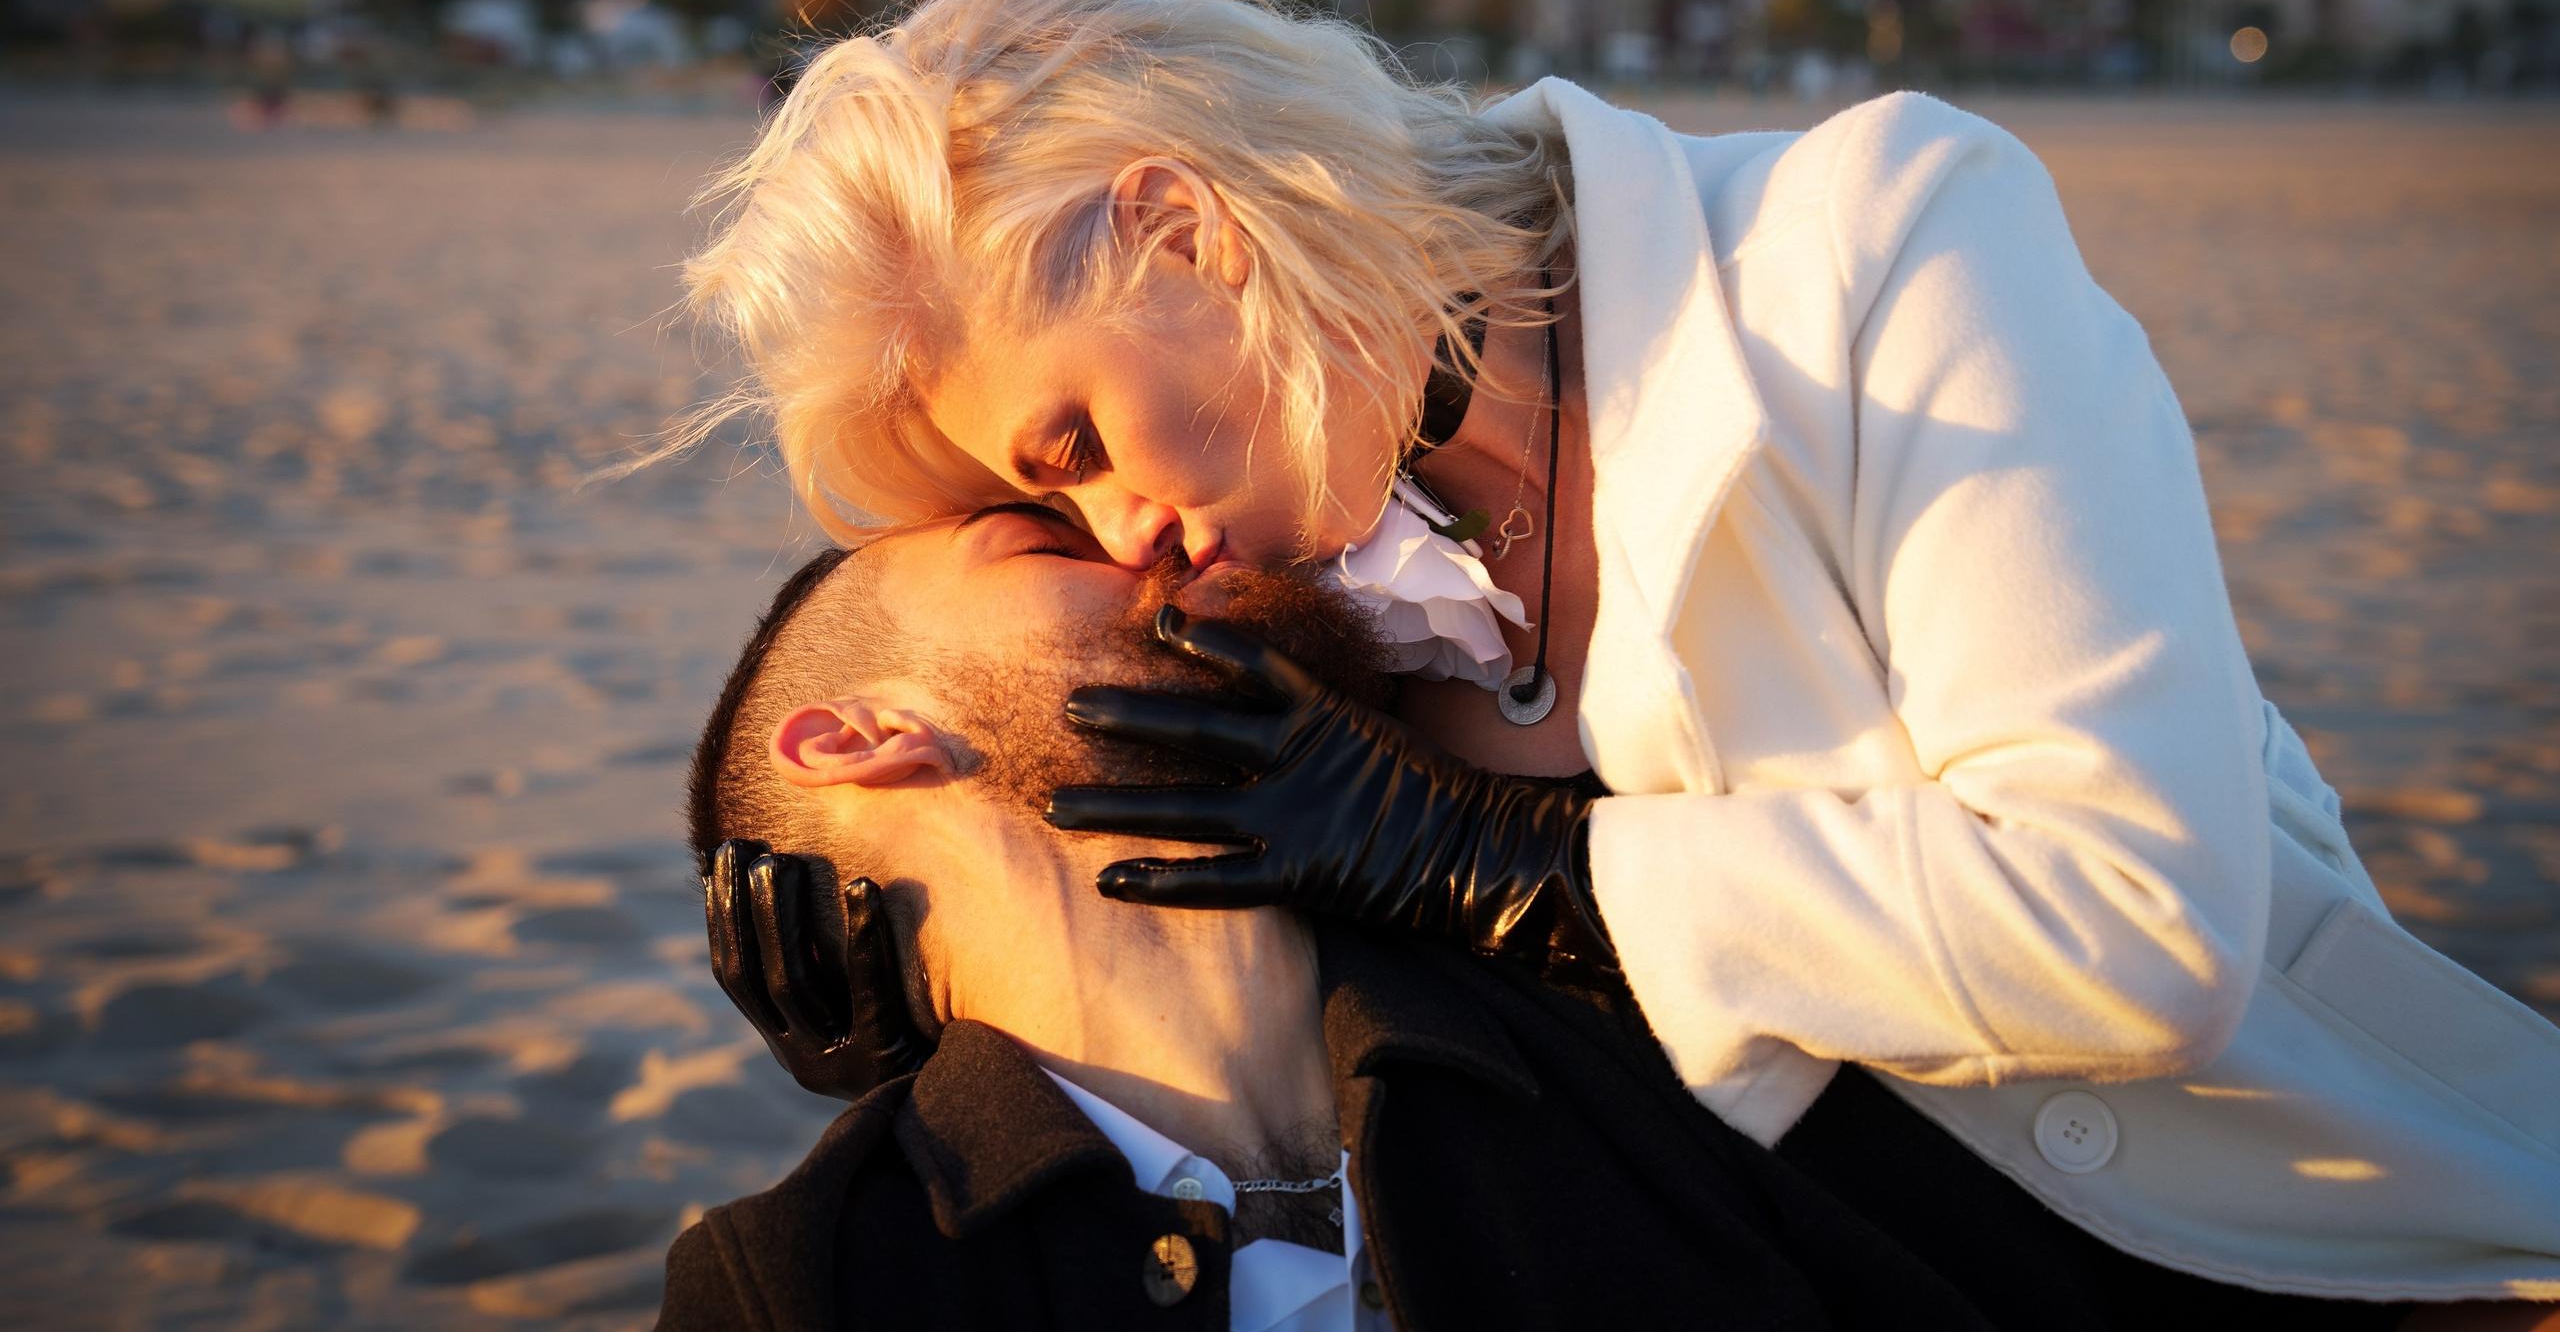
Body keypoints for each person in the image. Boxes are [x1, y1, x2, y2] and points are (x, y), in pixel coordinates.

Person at [675, 0, 2560, 1316]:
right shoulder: (1300, 544)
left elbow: (2138, 924)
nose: (1118, 537)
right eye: (1049, 507)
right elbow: (1192, 870)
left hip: (2317, 1244)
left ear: (1182, 230)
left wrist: (1503, 859)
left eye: (1075, 443)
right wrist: (920, 980)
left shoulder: (1872, 249)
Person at [661, 508, 2005, 1331]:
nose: (1153, 524)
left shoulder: (1625, 1009)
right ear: (864, 737)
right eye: (1048, 541)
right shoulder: (811, 1282)